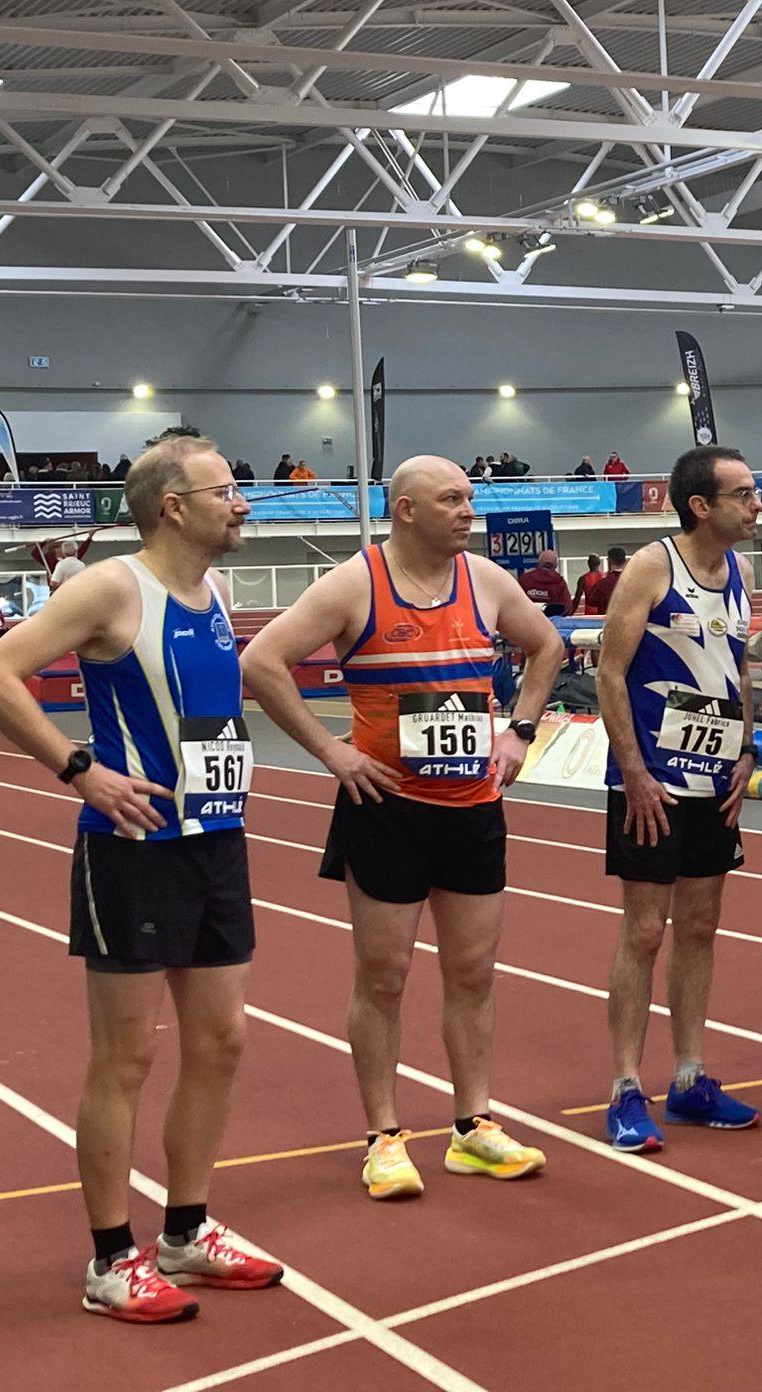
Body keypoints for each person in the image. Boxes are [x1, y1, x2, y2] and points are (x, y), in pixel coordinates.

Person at [0, 437, 284, 1321]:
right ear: (173, 506)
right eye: (226, 490)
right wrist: (79, 769)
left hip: (216, 841)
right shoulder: (113, 589)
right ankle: (111, 1258)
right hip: (134, 846)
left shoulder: (215, 591)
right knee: (127, 1055)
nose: (242, 502)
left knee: (221, 1040)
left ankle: (186, 1233)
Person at [240, 456, 566, 1200]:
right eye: (452, 500)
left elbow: (547, 645)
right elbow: (262, 661)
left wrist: (520, 729)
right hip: (387, 809)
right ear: (407, 510)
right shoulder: (355, 584)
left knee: (473, 973)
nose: (468, 511)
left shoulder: (486, 580)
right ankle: (383, 1137)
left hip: (473, 807)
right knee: (384, 977)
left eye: (470, 499)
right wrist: (330, 752)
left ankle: (473, 1126)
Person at [598, 447, 762, 1150]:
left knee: (700, 926)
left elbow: (739, 671)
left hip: (715, 781)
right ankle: (625, 1088)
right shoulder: (651, 567)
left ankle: (690, 1079)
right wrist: (633, 771)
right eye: (744, 494)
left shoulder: (741, 571)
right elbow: (609, 673)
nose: (757, 504)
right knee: (644, 931)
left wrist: (748, 749)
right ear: (701, 505)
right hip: (653, 785)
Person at [517, 549, 571, 617]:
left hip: (528, 619)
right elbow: (567, 608)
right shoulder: (560, 582)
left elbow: (516, 602)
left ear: (539, 563)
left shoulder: (525, 579)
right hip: (551, 621)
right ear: (555, 566)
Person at [584, 546, 627, 615]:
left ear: (609, 560)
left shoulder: (603, 583)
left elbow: (591, 601)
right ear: (625, 561)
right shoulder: (634, 582)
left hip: (607, 618)